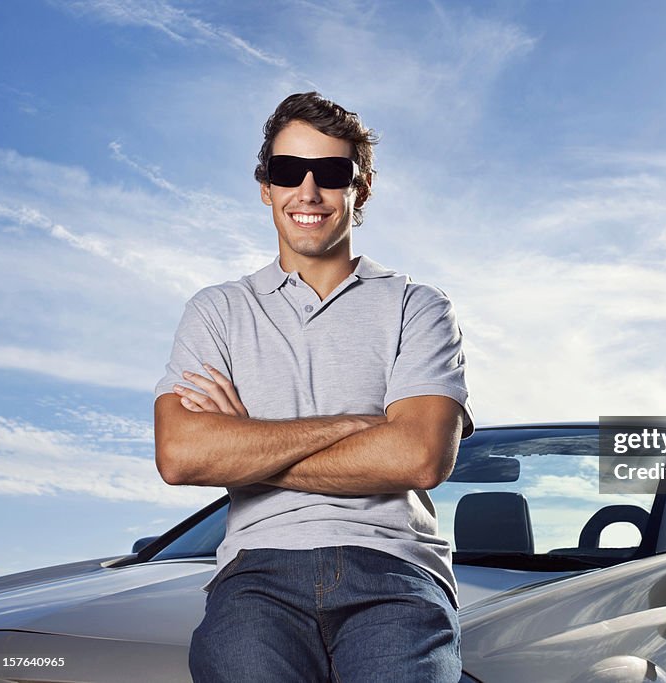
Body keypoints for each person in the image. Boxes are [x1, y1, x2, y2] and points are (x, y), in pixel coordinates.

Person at [153, 92, 473, 683]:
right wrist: (362, 425)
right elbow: (179, 456)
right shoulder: (218, 311)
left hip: (397, 572)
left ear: (362, 187)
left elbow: (421, 456)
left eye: (330, 172)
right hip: (257, 577)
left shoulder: (417, 306)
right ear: (265, 187)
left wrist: (243, 445)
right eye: (286, 172)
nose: (307, 191)